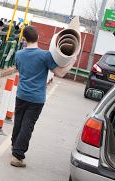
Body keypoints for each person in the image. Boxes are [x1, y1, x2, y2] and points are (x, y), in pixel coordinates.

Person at [10, 25, 75, 167]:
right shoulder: (45, 55)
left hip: (21, 95)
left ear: (24, 39)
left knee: (19, 122)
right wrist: (71, 63)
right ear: (38, 37)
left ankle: (15, 146)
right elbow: (60, 73)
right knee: (28, 125)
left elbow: (18, 68)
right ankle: (17, 155)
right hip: (36, 98)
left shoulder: (19, 55)